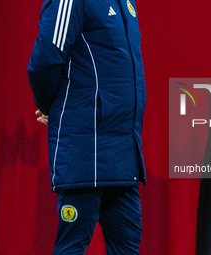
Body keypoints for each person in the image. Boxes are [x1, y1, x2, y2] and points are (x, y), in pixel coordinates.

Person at [27, 0, 146, 254]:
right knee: (72, 246)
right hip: (86, 151)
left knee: (127, 247)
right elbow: (44, 61)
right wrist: (51, 108)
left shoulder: (125, 3)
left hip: (122, 154)